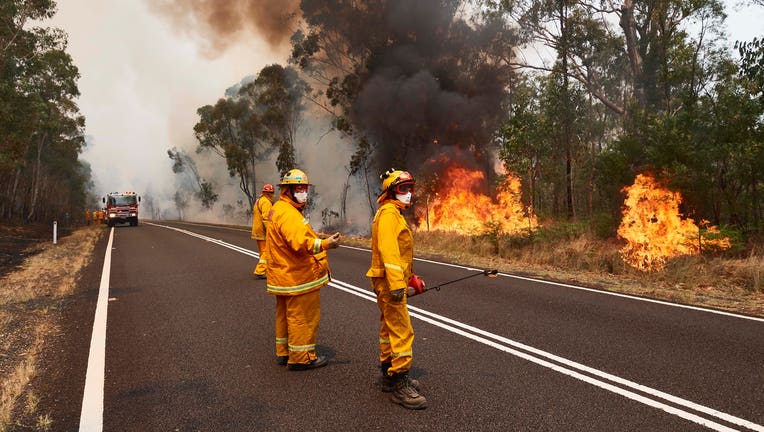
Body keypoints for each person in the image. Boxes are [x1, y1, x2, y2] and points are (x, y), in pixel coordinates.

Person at [266, 168, 341, 370]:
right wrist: (326, 244)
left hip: (284, 275)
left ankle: (285, 352)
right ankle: (302, 358)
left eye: (305, 188)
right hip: (297, 277)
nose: (303, 192)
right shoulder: (289, 214)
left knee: (285, 316)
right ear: (287, 190)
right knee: (303, 317)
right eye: (299, 188)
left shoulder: (279, 208)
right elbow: (300, 243)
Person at [366, 168, 427, 409]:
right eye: (403, 189)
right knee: (402, 330)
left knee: (388, 328)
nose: (409, 193)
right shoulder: (389, 215)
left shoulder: (393, 214)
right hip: (389, 283)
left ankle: (389, 376)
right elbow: (389, 252)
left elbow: (399, 256)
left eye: (411, 188)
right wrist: (397, 284)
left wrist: (410, 277)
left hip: (390, 281)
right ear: (391, 191)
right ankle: (400, 382)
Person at [251, 183, 275, 279]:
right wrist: (270, 230)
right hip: (262, 230)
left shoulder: (259, 200)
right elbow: (266, 218)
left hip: (257, 229)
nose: (271, 195)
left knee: (262, 252)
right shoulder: (266, 202)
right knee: (267, 251)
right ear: (271, 193)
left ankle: (265, 269)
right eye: (271, 193)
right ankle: (260, 271)